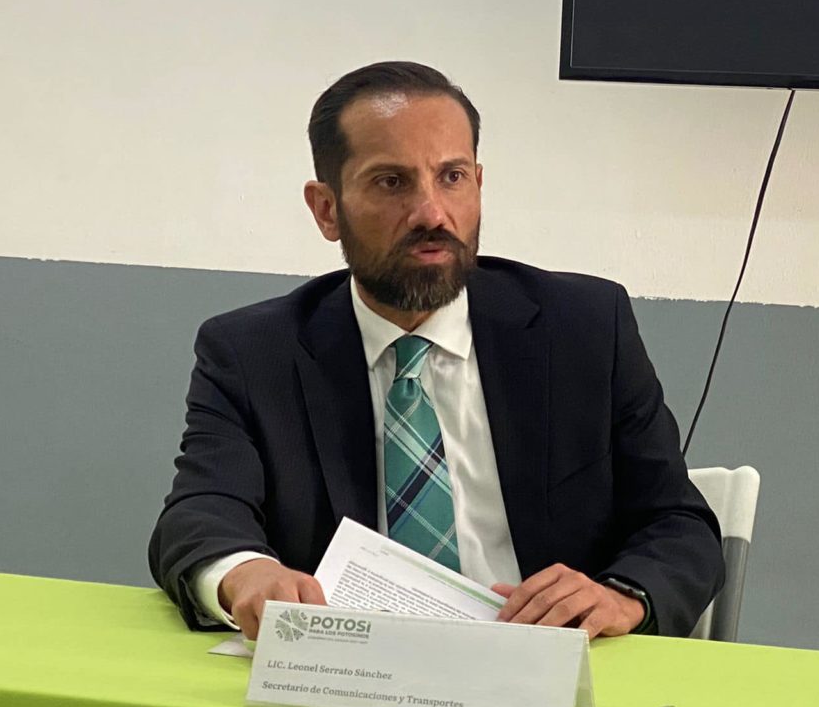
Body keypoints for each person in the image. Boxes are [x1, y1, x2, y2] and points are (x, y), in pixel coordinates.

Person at [148, 61, 724, 641]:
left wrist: (621, 596)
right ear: (327, 209)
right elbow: (201, 512)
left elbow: (677, 522)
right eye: (391, 182)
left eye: (452, 177)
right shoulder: (252, 353)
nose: (431, 213)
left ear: (479, 184)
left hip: (543, 658)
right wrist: (244, 571)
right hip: (346, 670)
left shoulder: (585, 328)